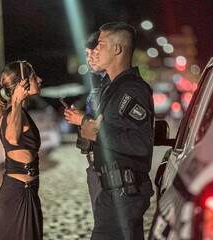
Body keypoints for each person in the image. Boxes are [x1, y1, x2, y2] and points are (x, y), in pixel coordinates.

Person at [69, 22, 155, 240]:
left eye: (101, 44)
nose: (97, 49)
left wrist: (96, 131)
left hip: (124, 193)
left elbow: (141, 143)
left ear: (117, 49)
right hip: (114, 192)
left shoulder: (131, 90)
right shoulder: (112, 88)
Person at [0, 60, 43, 240]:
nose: (40, 80)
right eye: (35, 77)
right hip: (17, 196)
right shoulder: (11, 113)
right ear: (23, 83)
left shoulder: (17, 112)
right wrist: (17, 101)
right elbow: (12, 138)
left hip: (26, 193)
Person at [64, 31, 108, 212]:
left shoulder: (114, 87)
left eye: (93, 54)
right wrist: (80, 119)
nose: (89, 59)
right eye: (87, 55)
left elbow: (107, 129)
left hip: (109, 168)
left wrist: (82, 119)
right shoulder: (97, 86)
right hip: (94, 164)